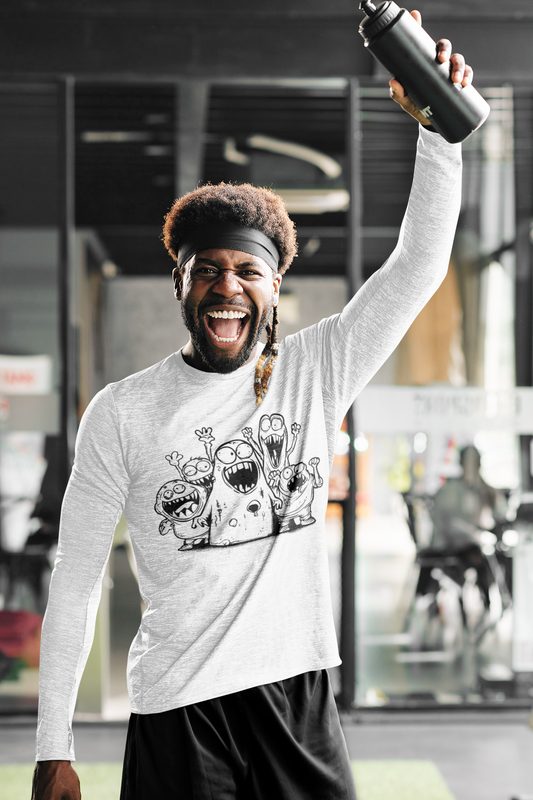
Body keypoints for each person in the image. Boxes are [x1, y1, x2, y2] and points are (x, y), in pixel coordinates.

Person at [32, 13, 471, 799]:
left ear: (274, 287)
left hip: (297, 697)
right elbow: (76, 579)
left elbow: (417, 267)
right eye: (205, 270)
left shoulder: (317, 369)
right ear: (179, 283)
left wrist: (438, 132)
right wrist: (52, 745)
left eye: (247, 271)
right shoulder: (121, 411)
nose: (226, 286)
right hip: (178, 712)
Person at [426, 444, 507, 613]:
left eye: (474, 462)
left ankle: (496, 602)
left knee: (499, 555)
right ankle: (490, 602)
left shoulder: (481, 490)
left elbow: (498, 514)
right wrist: (474, 534)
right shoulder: (451, 490)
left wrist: (486, 490)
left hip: (469, 543)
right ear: (461, 464)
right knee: (481, 556)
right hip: (450, 544)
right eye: (468, 462)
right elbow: (448, 524)